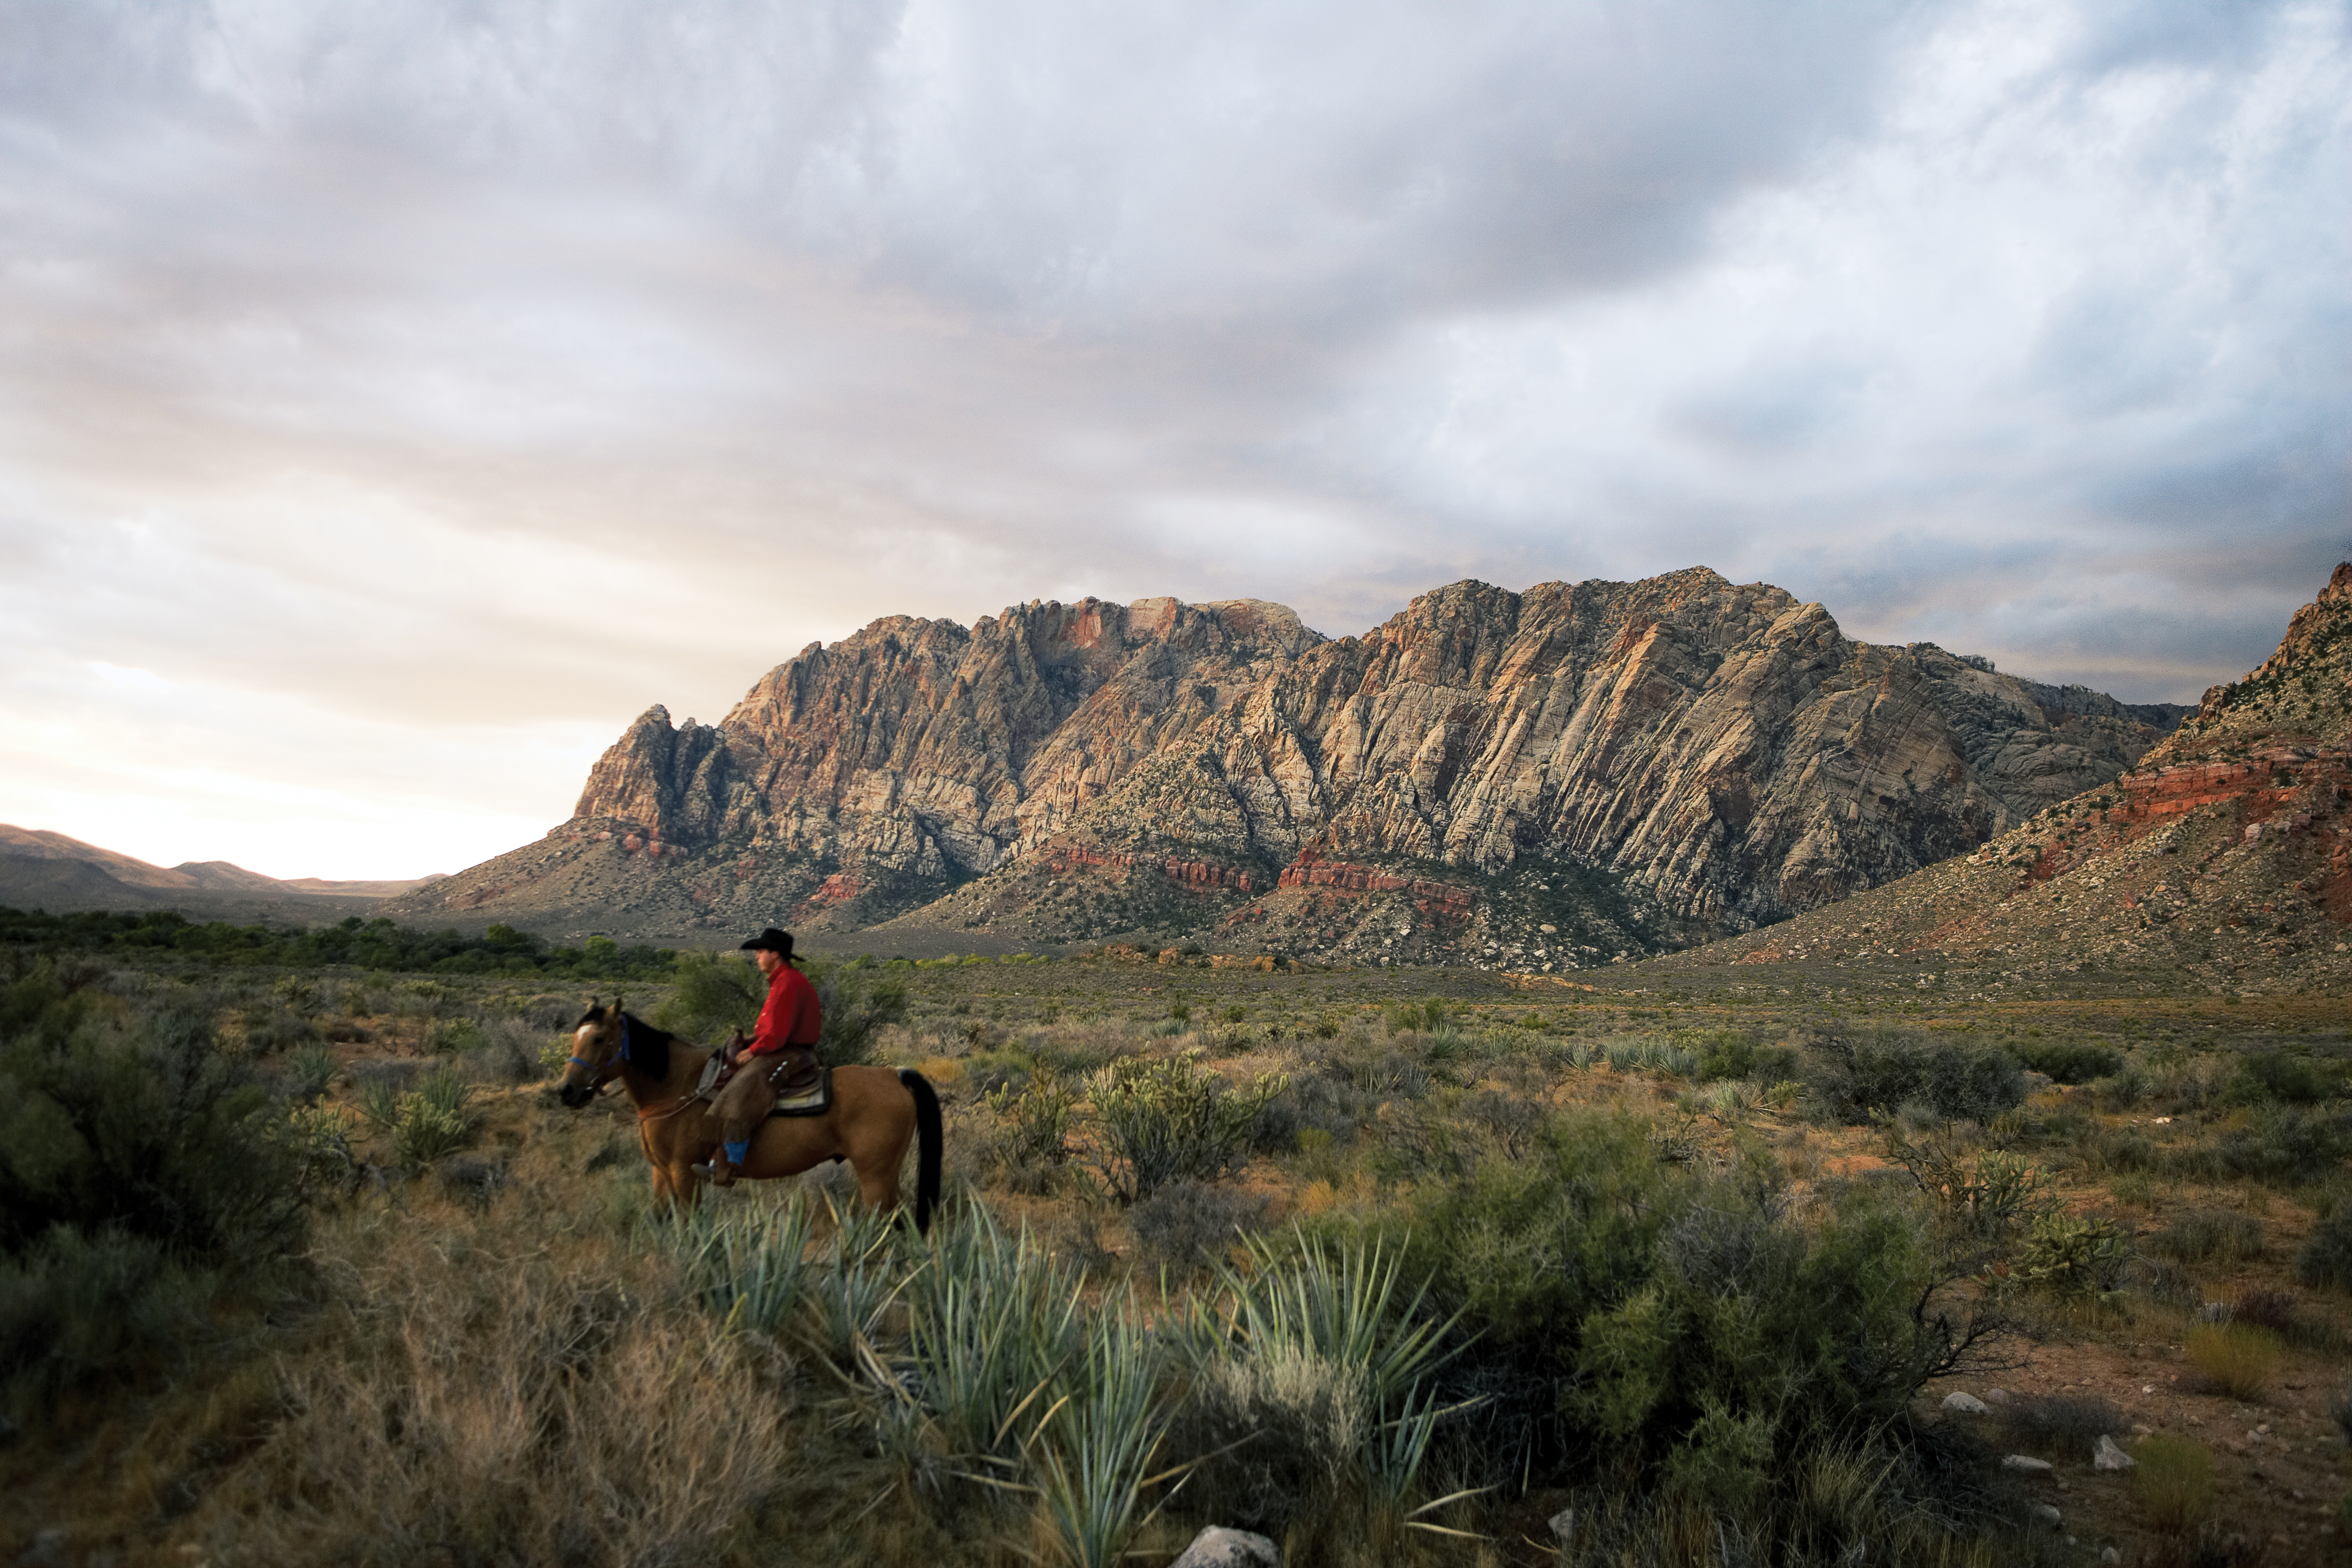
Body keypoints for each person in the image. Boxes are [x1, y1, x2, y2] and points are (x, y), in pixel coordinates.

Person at [693, 927, 822, 1187]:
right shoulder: (784, 980)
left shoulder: (786, 983)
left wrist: (752, 1052)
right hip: (788, 1048)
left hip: (789, 1051)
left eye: (762, 951)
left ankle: (731, 1162)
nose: (757, 956)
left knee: (742, 1087)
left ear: (776, 954)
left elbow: (776, 1035)